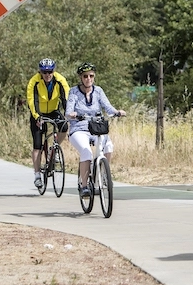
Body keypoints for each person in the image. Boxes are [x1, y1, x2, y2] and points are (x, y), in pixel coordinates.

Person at [65, 62, 125, 198]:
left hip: (96, 128)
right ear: (81, 77)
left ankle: (103, 175)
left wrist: (117, 112)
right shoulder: (73, 91)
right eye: (85, 76)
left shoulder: (98, 91)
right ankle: (84, 186)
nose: (88, 79)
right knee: (86, 152)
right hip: (79, 129)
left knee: (108, 146)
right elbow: (68, 111)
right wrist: (72, 114)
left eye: (91, 76)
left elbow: (107, 107)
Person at [26, 58, 70, 189]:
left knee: (64, 126)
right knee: (38, 145)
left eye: (50, 72)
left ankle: (54, 150)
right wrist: (37, 116)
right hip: (38, 112)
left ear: (53, 71)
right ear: (40, 72)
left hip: (53, 110)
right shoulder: (34, 82)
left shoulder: (60, 80)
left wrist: (69, 114)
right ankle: (37, 175)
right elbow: (32, 101)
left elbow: (66, 98)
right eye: (44, 72)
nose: (47, 75)